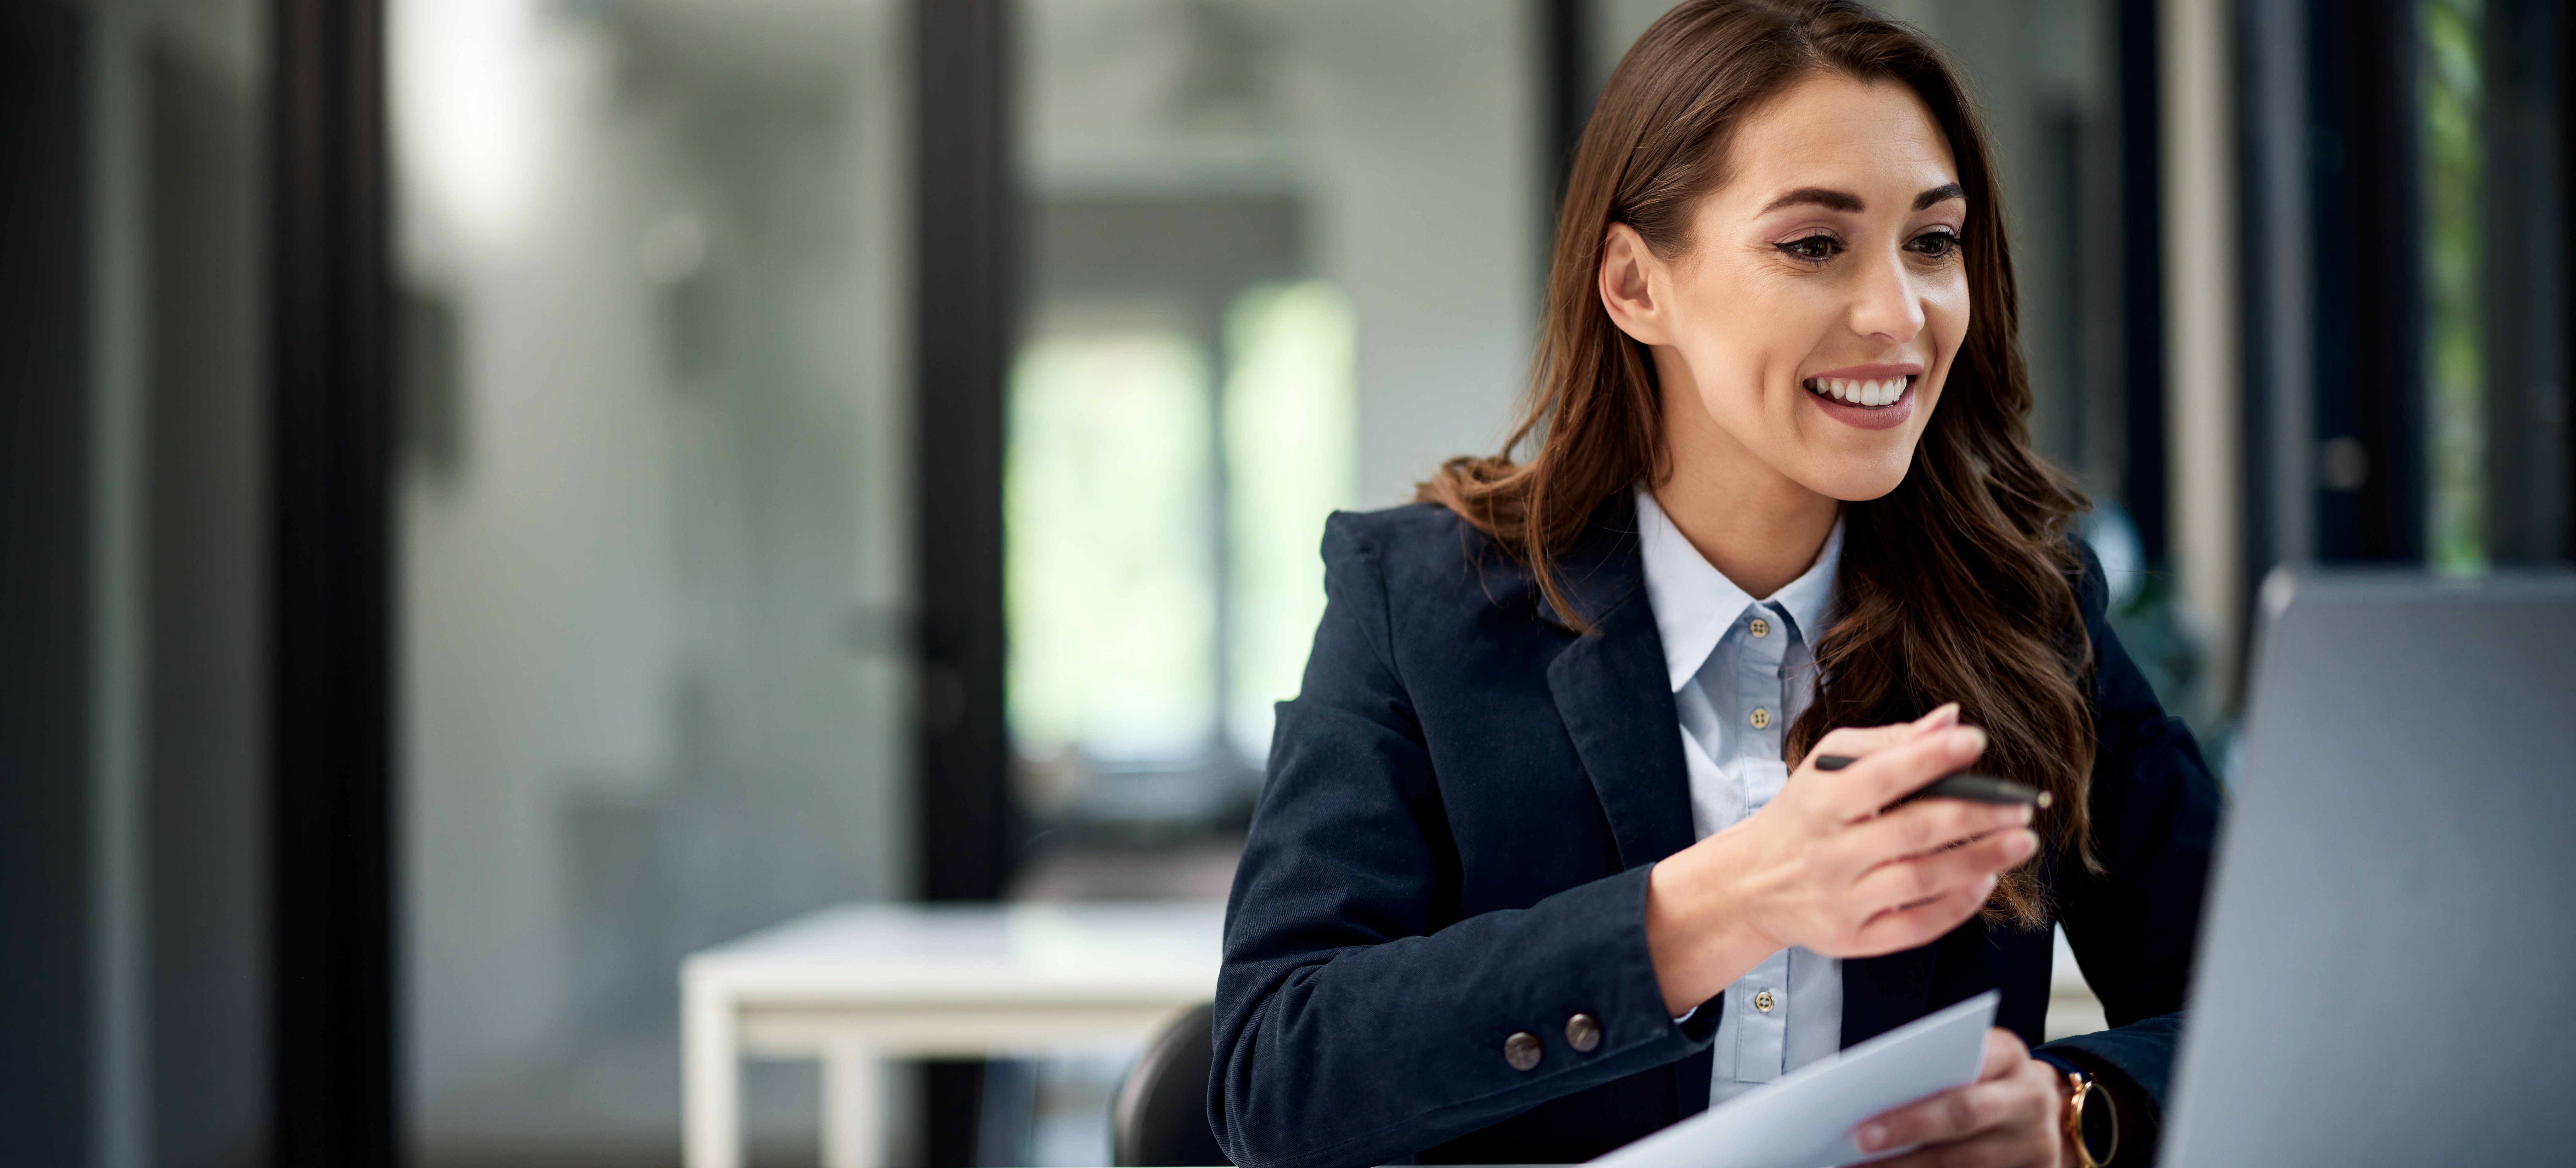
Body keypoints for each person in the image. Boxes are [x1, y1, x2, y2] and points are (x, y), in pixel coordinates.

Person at [1208, 4, 2222, 1167]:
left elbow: (2261, 1005)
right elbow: (1274, 1076)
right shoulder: (1420, 602)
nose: (1900, 313)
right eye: (1815, 245)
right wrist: (1724, 902)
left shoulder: (2024, 608)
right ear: (1637, 285)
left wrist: (2079, 1110)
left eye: (1933, 241)